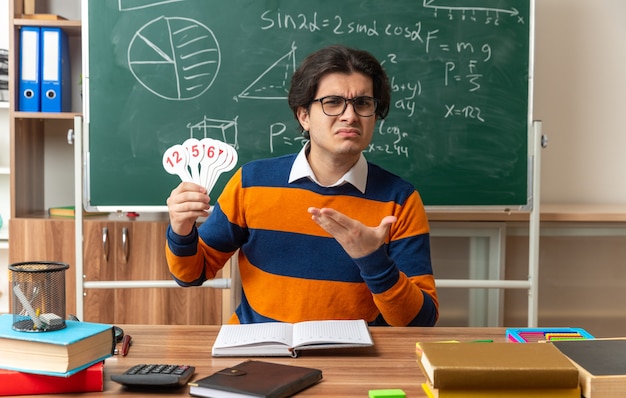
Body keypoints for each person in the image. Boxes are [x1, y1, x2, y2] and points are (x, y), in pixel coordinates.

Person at [165, 45, 438, 326]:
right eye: (332, 102)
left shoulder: (400, 200)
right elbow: (191, 275)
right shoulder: (251, 183)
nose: (350, 116)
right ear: (304, 116)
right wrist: (181, 229)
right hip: (260, 351)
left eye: (363, 103)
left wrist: (373, 259)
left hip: (357, 360)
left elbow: (420, 321)